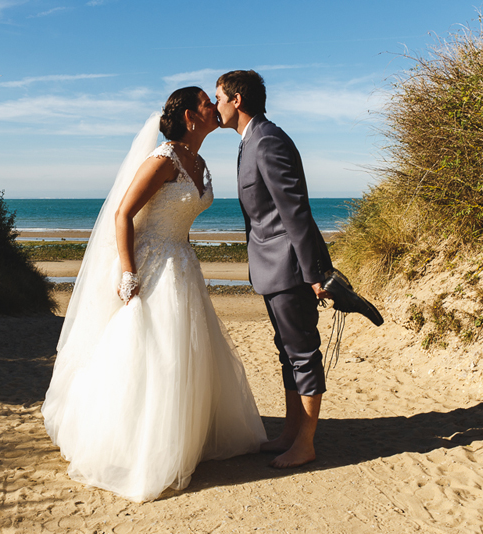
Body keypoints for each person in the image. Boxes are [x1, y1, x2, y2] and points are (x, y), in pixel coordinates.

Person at [41, 87, 267, 502]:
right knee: (150, 353)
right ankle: (135, 446)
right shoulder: (162, 159)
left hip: (183, 263)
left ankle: (181, 440)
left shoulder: (197, 161)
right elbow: (123, 214)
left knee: (183, 353)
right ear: (188, 117)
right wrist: (128, 272)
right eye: (205, 101)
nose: (213, 106)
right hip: (151, 264)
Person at [215, 70, 333, 469]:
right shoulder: (250, 141)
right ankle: (289, 432)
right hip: (270, 267)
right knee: (287, 354)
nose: (216, 107)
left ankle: (306, 442)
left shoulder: (267, 141)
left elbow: (294, 210)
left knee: (302, 355)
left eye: (219, 98)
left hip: (289, 268)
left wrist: (314, 272)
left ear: (238, 100)